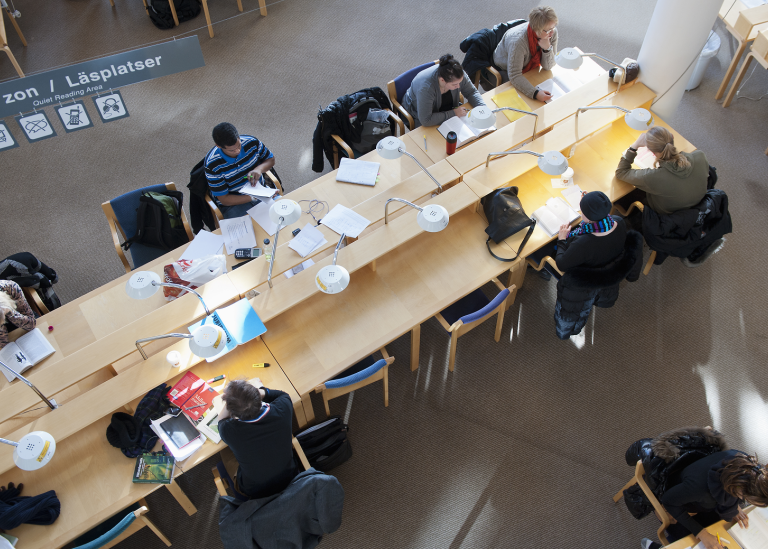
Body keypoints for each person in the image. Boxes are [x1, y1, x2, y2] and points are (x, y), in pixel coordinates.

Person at [549, 191, 642, 339]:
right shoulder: (618, 221)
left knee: (546, 256)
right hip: (608, 272)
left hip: (585, 281)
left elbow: (561, 264)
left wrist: (561, 239)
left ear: (588, 216)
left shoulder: (583, 243)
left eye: (582, 210)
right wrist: (590, 204)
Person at [641, 452, 768, 549]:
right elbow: (668, 501)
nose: (745, 501)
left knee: (724, 531)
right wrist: (701, 533)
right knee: (688, 542)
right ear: (741, 489)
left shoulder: (745, 464)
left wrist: (735, 508)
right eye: (747, 499)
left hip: (702, 500)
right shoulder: (700, 488)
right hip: (678, 503)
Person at [217, 379, 298, 499]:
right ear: (258, 395)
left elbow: (221, 420)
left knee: (223, 451)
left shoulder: (229, 430)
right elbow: (283, 394)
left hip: (254, 490)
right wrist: (253, 393)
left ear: (232, 412)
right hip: (289, 474)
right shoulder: (283, 408)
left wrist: (230, 399)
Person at [615, 126, 709, 216]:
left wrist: (634, 147)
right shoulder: (700, 155)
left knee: (625, 194)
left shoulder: (652, 177)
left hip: (668, 213)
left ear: (652, 153)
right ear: (672, 136)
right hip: (697, 201)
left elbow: (621, 172)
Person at [204, 122, 276, 219]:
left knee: (283, 219)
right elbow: (225, 200)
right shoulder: (212, 165)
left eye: (239, 146)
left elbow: (271, 160)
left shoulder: (251, 142)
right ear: (218, 146)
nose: (237, 151)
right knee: (249, 232)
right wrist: (254, 197)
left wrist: (259, 169)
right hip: (234, 203)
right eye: (232, 150)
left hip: (261, 191)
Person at [401, 53, 485, 129]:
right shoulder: (426, 88)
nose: (459, 86)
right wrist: (453, 113)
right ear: (442, 80)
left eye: (460, 82)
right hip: (419, 113)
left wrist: (483, 108)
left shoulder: (457, 74)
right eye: (454, 84)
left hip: (447, 110)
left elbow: (471, 92)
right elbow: (426, 120)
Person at [492, 6, 558, 101]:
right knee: (521, 101)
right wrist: (535, 93)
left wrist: (547, 49)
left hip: (528, 66)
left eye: (553, 27)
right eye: (548, 30)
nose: (552, 33)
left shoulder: (552, 33)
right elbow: (514, 75)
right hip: (505, 68)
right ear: (536, 29)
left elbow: (548, 66)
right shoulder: (518, 42)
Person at [0, 280, 36, 350]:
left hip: (23, 320)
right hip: (7, 335)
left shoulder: (11, 287)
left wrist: (11, 313)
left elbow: (31, 325)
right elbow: (3, 343)